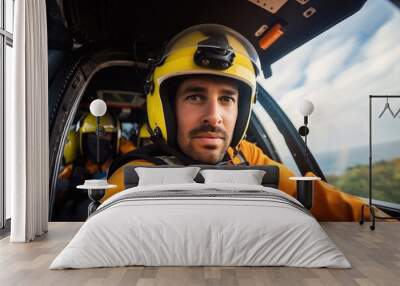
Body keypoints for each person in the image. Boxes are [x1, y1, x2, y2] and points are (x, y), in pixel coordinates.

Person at [106, 24, 368, 221]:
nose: (214, 116)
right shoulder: (131, 183)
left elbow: (326, 201)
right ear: (167, 109)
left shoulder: (246, 155)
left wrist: (381, 221)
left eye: (227, 99)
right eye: (195, 97)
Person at [56, 112, 135, 219]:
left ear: (115, 139)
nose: (99, 141)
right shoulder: (72, 170)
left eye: (106, 134)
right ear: (82, 140)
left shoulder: (123, 168)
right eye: (93, 135)